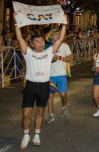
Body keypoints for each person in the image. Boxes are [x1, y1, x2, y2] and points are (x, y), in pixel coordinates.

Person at [13, 12, 67, 149]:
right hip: (31, 86)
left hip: (44, 86)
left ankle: (37, 135)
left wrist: (64, 22)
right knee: (26, 114)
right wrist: (16, 21)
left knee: (40, 112)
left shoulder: (49, 53)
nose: (40, 43)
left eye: (42, 40)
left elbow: (60, 40)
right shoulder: (28, 53)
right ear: (32, 44)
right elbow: (19, 39)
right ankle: (26, 136)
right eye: (37, 41)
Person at [45, 28, 73, 124]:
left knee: (63, 94)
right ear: (50, 37)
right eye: (55, 34)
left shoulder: (64, 46)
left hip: (61, 74)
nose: (57, 35)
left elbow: (70, 58)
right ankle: (51, 115)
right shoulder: (47, 47)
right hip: (50, 76)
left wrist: (60, 57)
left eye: (58, 34)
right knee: (50, 96)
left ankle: (64, 107)